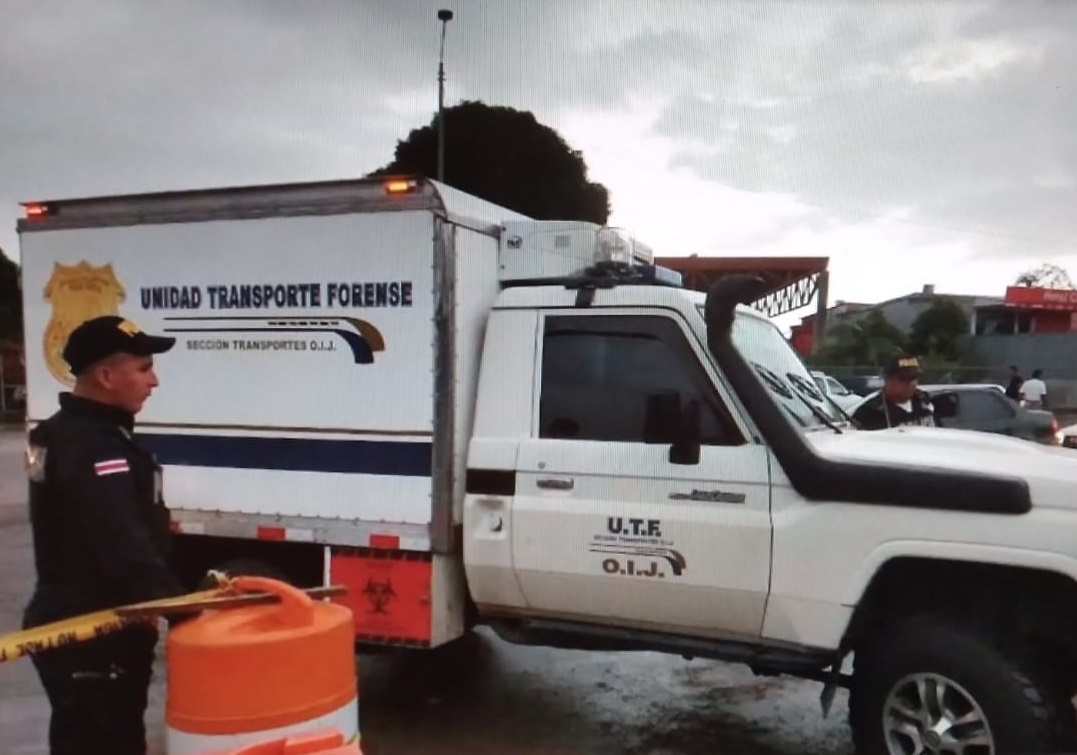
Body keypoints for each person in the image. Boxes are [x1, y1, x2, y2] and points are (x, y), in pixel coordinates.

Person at [22, 315, 186, 755]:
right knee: (104, 743)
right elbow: (120, 542)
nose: (154, 381)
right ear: (106, 376)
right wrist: (183, 609)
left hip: (82, 624)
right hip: (93, 635)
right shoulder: (94, 445)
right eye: (144, 368)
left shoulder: (67, 433)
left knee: (85, 739)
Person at [852, 354, 936, 431]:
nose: (911, 383)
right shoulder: (869, 413)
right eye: (904, 378)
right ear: (888, 380)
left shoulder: (923, 401)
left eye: (914, 377)